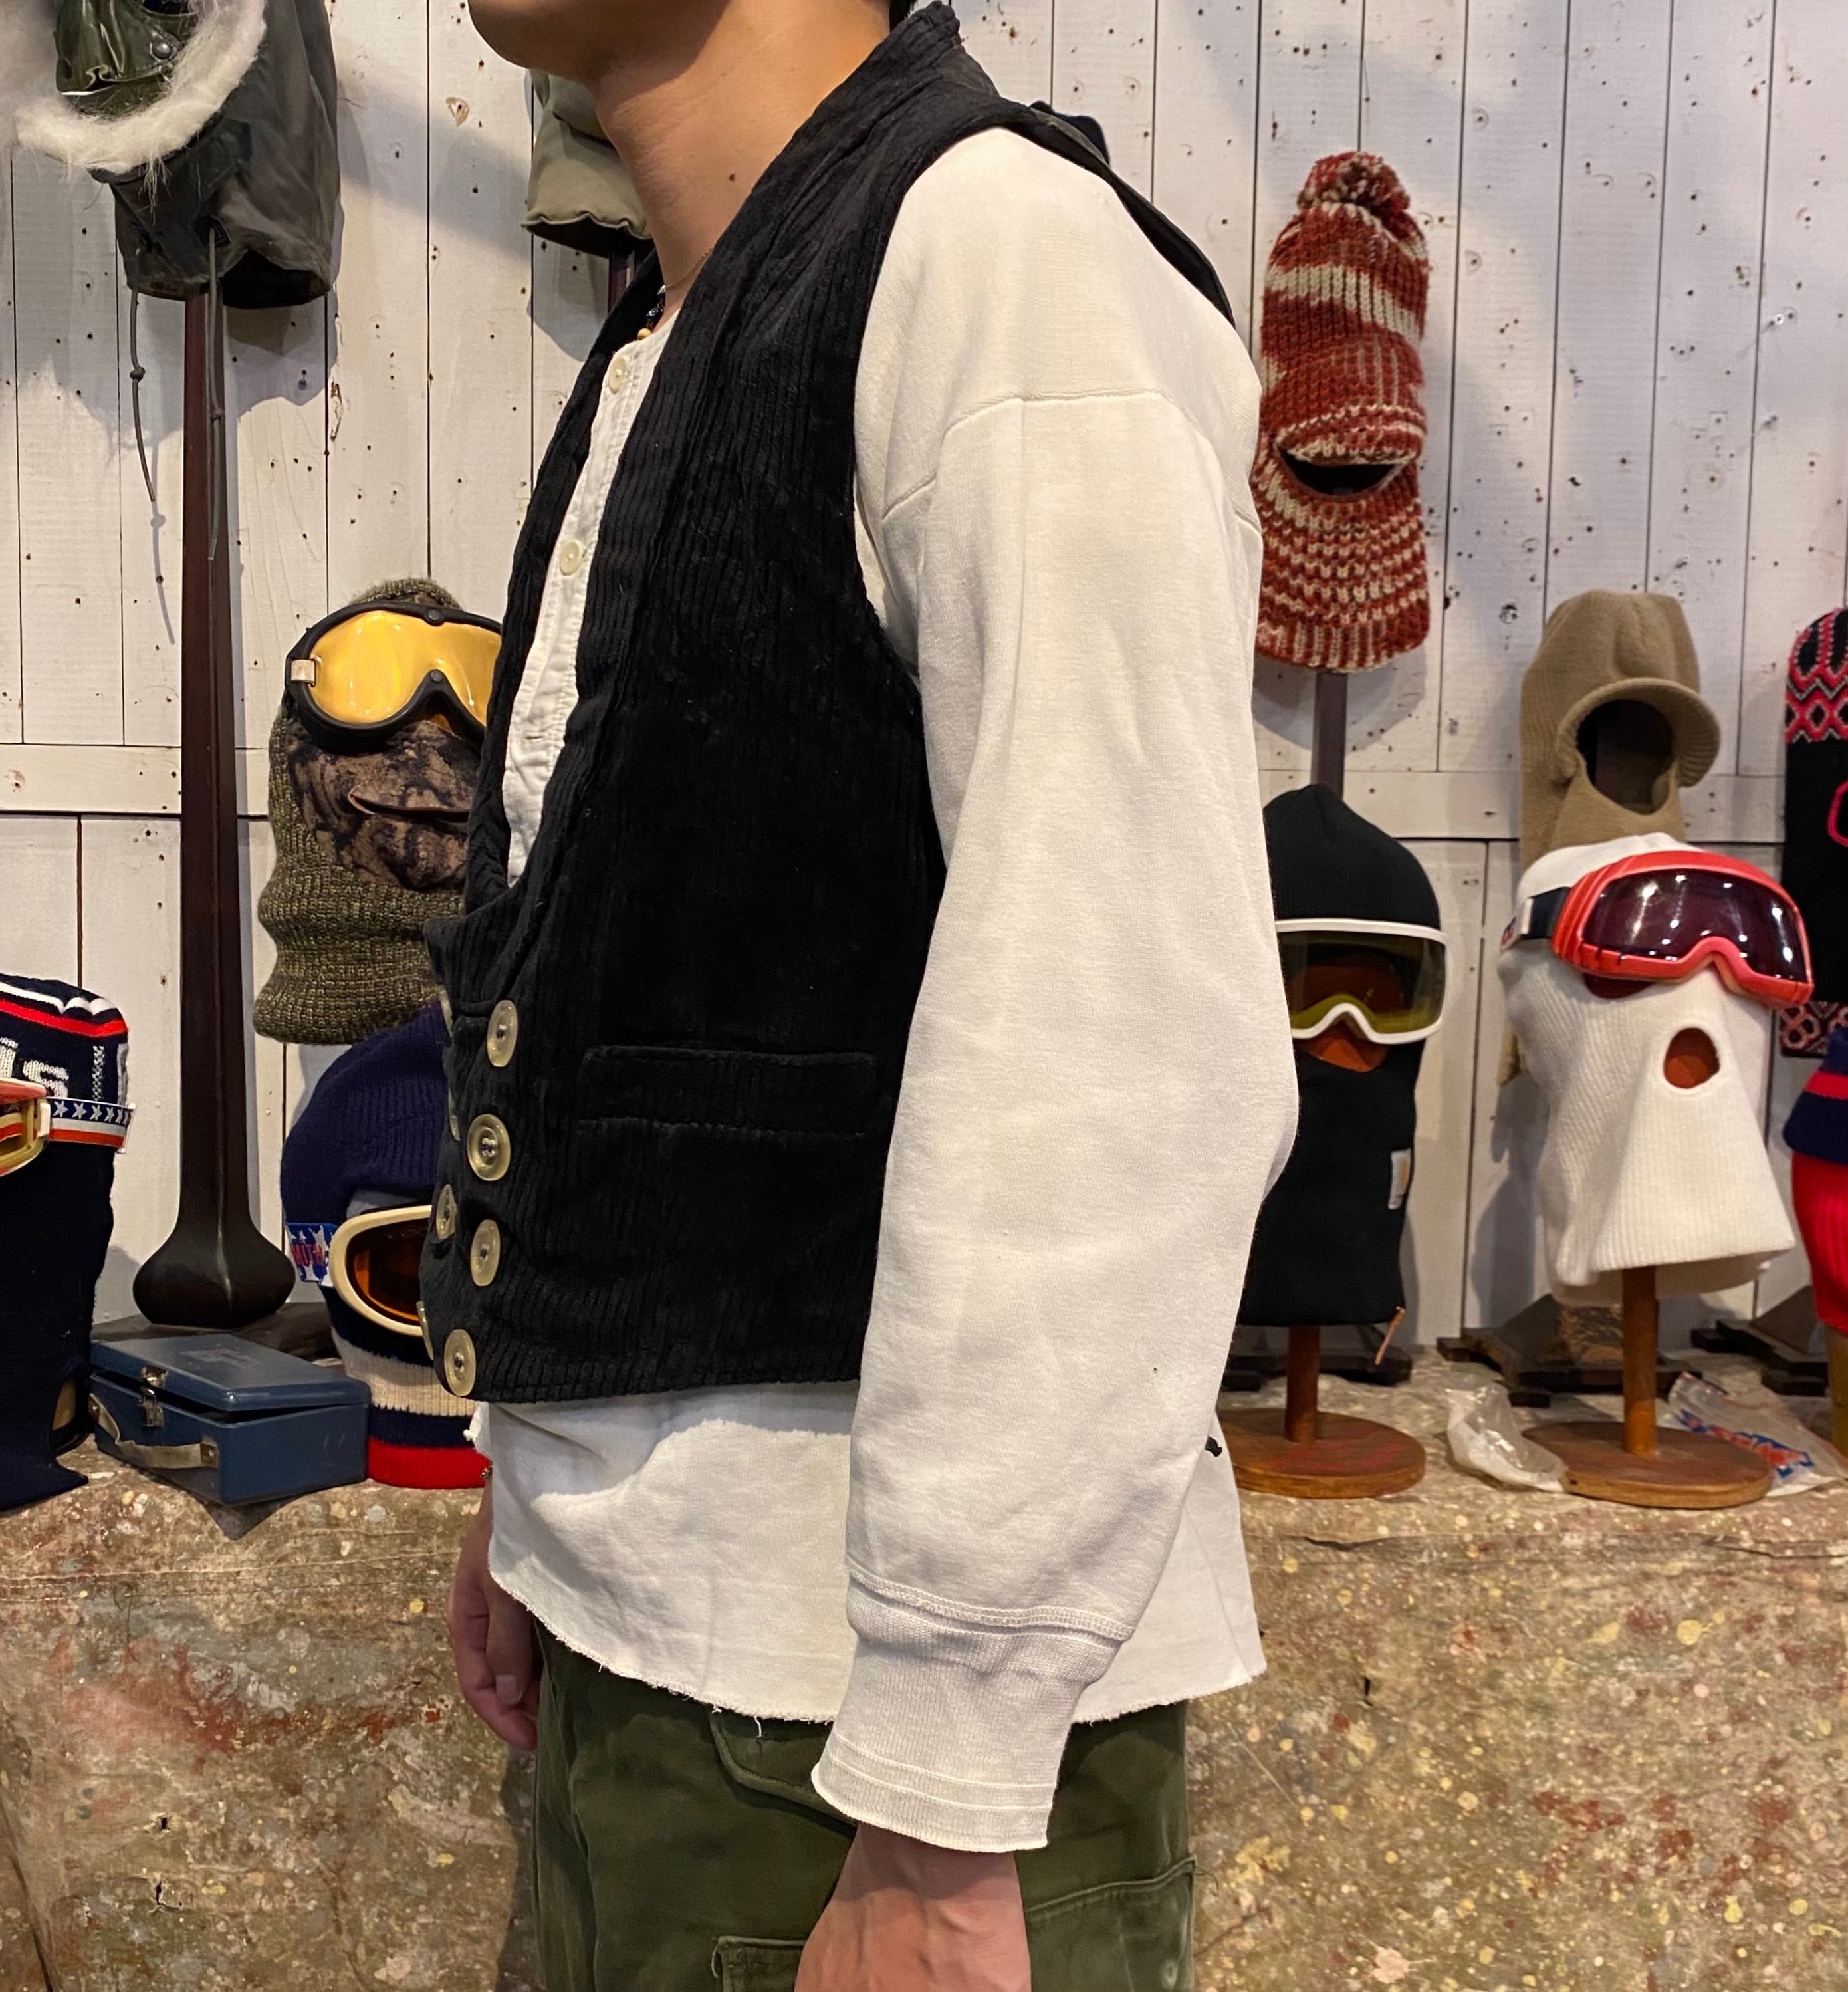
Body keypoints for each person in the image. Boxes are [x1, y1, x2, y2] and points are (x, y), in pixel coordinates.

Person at [433, 2, 1296, 1986]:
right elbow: (670, 964)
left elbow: (1113, 1050)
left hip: (859, 1765)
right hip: (676, 1665)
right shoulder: (682, 328)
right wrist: (549, 1473)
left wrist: (939, 1807)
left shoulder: (1004, 266)